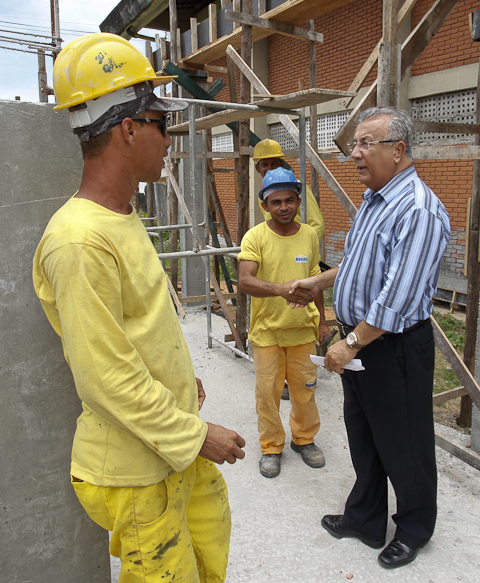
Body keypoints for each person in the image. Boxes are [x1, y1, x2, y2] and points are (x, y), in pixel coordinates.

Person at [32, 33, 246, 582]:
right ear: (129, 129)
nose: (169, 139)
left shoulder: (121, 217)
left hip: (166, 447)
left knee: (209, 552)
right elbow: (104, 376)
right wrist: (197, 435)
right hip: (137, 470)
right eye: (162, 124)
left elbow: (140, 327)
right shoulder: (79, 242)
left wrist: (179, 377)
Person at [289, 107, 451, 568]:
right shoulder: (375, 199)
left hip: (392, 347)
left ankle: (414, 528)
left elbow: (397, 297)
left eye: (365, 144)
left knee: (404, 441)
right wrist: (318, 282)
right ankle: (365, 518)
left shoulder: (417, 209)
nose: (354, 154)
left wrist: (351, 343)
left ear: (398, 150)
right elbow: (361, 264)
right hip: (363, 343)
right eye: (355, 144)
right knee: (365, 435)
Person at [238, 168, 330, 478]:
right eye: (276, 202)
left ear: (298, 202)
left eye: (290, 200)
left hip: (302, 331)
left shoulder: (308, 235)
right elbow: (245, 280)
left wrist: (322, 322)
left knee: (305, 391)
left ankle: (304, 439)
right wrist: (280, 289)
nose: (284, 207)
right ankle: (271, 446)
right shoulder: (255, 237)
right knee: (268, 393)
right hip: (267, 333)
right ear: (265, 205)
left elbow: (316, 280)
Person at [253, 138, 325, 243]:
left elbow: (317, 225)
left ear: (282, 164)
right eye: (264, 165)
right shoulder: (263, 194)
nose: (270, 169)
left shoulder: (296, 189)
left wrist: (300, 247)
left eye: (274, 163)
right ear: (257, 168)